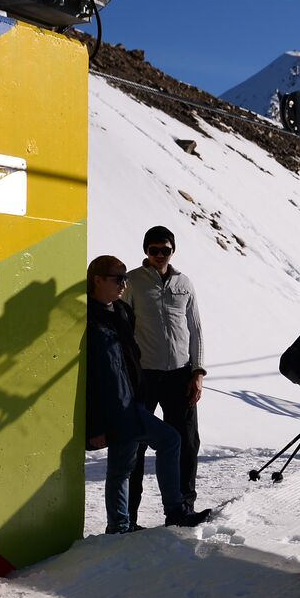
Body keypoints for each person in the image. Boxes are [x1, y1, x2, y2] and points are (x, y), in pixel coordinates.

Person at [84, 255, 189, 534]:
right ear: (97, 279)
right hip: (110, 407)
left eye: (125, 278)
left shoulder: (120, 310)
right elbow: (87, 377)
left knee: (136, 460)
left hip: (130, 403)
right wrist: (94, 425)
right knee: (129, 464)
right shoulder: (85, 316)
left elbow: (131, 357)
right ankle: (125, 524)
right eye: (118, 278)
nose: (123, 284)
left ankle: (126, 524)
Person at [122, 226, 212, 529]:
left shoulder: (184, 282)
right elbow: (123, 327)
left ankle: (182, 508)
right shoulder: (132, 281)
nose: (160, 255)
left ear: (172, 251)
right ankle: (128, 516)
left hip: (180, 374)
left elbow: (195, 328)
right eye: (154, 250)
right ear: (146, 251)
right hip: (144, 374)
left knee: (187, 441)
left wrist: (197, 371)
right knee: (136, 444)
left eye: (165, 250)